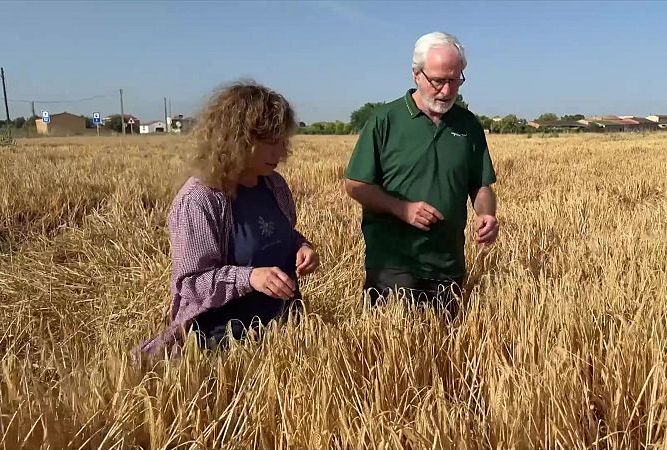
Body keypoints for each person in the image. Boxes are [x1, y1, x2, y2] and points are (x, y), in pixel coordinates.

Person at [135, 80, 318, 358]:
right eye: (270, 143)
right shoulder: (199, 199)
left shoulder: (274, 185)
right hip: (222, 342)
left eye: (283, 141)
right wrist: (250, 278)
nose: (282, 152)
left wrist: (301, 247)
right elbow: (190, 284)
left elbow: (280, 234)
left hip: (283, 330)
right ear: (236, 141)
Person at [343, 32, 498, 318]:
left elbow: (481, 184)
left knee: (443, 355)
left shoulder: (468, 125)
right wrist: (401, 208)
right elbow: (356, 184)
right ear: (416, 75)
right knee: (390, 355)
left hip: (448, 264)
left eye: (455, 80)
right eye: (439, 81)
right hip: (392, 262)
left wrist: (486, 215)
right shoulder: (385, 120)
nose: (448, 90)